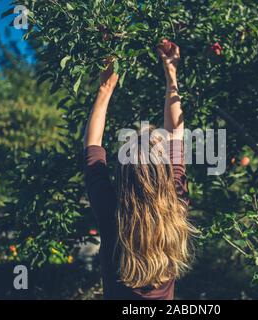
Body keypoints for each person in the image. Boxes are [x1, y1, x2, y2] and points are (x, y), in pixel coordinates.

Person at [83, 41, 195, 300]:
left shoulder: (112, 214)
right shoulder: (176, 203)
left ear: (125, 173)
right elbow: (176, 132)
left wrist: (106, 86)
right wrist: (171, 74)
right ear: (164, 171)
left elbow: (92, 146)